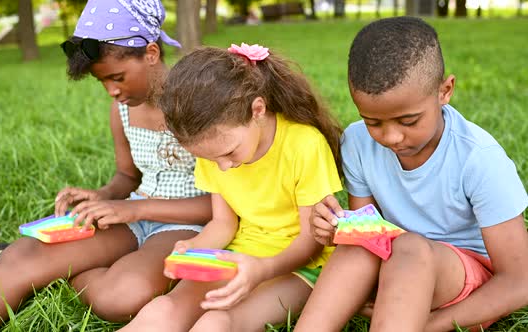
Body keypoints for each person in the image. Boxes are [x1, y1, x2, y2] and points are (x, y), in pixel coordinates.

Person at [0, 1, 211, 331]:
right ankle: (37, 265)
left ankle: (62, 270)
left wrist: (135, 211)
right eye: (103, 82)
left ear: (151, 53)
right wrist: (102, 195)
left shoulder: (201, 105)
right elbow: (127, 176)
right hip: (133, 211)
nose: (113, 91)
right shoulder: (122, 109)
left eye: (118, 77)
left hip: (190, 225)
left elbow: (228, 204)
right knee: (24, 258)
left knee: (120, 297)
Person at [295, 16, 528, 332]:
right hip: (397, 273)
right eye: (373, 123)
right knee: (360, 245)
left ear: (445, 91)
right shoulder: (358, 143)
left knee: (409, 248)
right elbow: (370, 232)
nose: (391, 137)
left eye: (408, 121)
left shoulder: (478, 158)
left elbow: (519, 282)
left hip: (463, 284)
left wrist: (430, 324)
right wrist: (336, 230)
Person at [119, 43, 344, 331]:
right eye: (211, 159)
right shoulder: (213, 150)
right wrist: (193, 247)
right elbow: (223, 224)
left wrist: (262, 269)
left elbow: (310, 242)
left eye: (229, 153)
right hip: (237, 254)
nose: (223, 167)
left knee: (217, 321)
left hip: (299, 268)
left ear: (258, 110)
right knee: (166, 308)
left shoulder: (304, 145)